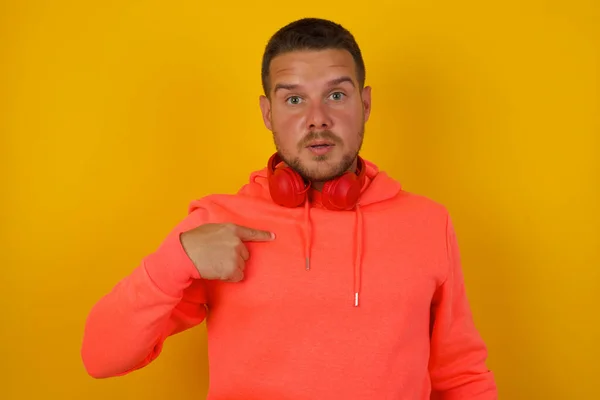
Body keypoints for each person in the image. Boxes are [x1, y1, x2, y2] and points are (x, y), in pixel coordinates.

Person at [81, 17, 498, 400]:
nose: (318, 119)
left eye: (336, 95)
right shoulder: (219, 225)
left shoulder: (427, 223)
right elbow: (100, 357)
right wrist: (177, 258)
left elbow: (460, 376)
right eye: (294, 100)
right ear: (268, 112)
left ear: (365, 104)